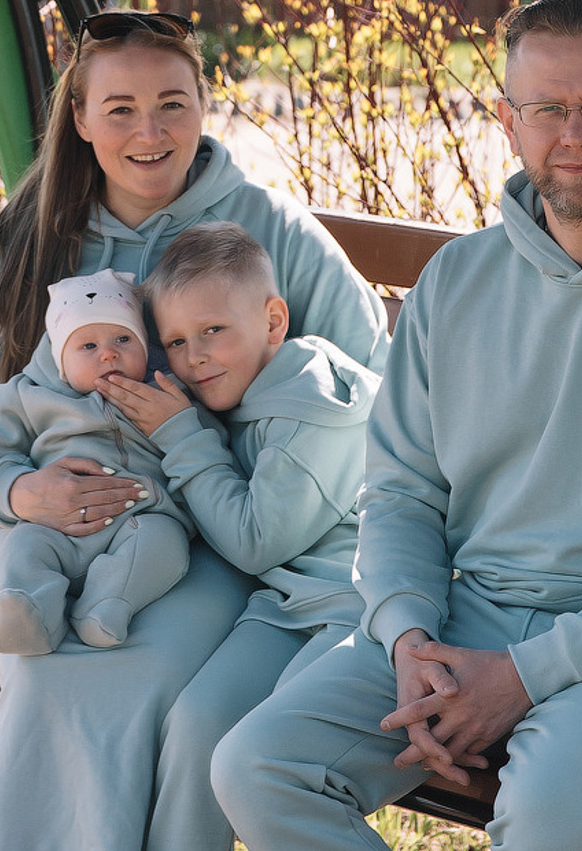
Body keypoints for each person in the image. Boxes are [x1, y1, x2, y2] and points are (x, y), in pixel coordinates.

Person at [216, 0, 582, 851]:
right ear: (507, 120)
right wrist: (407, 637)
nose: (575, 132)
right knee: (259, 768)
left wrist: (524, 678)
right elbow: (402, 492)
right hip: (468, 616)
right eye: (547, 109)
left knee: (545, 824)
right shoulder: (458, 281)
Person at [0, 10, 390, 851]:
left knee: (140, 669)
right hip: (29, 534)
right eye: (119, 109)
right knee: (43, 668)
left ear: (205, 105)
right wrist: (16, 489)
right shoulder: (24, 243)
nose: (150, 132)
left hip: (203, 543)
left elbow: (370, 393)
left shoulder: (273, 231)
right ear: (78, 119)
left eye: (173, 104)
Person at [101, 221, 381, 851]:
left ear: (273, 321)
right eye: (173, 341)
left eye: (213, 331)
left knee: (272, 752)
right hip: (284, 608)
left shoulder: (319, 412)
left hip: (359, 614)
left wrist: (181, 436)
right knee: (199, 720)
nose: (194, 356)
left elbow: (256, 541)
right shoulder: (239, 394)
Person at [0, 269, 193, 652]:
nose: (109, 352)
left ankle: (105, 606)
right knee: (25, 547)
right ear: (60, 359)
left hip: (139, 518)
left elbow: (196, 435)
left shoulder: (162, 392)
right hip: (55, 526)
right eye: (88, 346)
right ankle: (27, 613)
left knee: (166, 544)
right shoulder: (33, 395)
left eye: (123, 339)